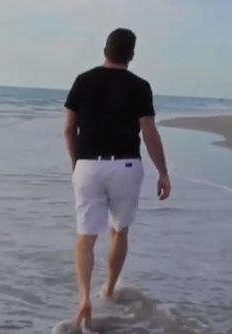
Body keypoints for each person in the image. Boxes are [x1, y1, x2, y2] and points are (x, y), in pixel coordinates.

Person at [62, 27, 172, 330]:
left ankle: (84, 298)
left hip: (88, 167)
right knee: (119, 231)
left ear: (105, 50)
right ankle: (109, 289)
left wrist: (77, 163)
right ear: (131, 55)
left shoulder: (83, 80)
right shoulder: (140, 86)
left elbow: (69, 130)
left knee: (86, 237)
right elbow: (149, 132)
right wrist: (163, 172)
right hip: (126, 167)